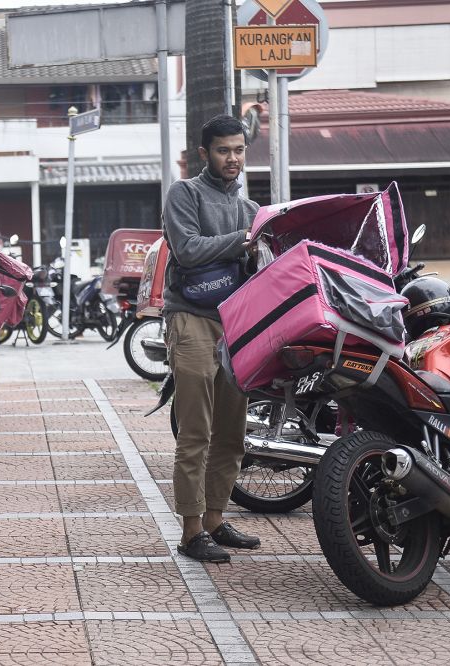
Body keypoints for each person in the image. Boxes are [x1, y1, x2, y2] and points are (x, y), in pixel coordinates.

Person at [162, 115, 261, 563]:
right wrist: (243, 240)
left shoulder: (250, 209)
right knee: (196, 431)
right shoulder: (185, 193)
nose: (233, 159)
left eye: (239, 150)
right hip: (191, 318)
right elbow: (188, 249)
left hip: (235, 323)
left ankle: (216, 520)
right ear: (205, 153)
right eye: (224, 150)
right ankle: (190, 530)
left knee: (232, 433)